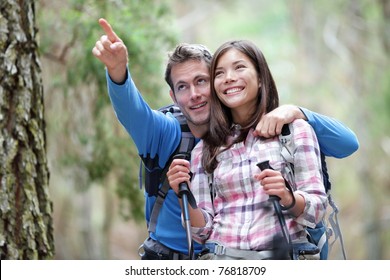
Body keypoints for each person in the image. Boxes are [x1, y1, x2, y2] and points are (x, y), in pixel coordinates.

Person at [92, 18, 359, 260]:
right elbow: (132, 112)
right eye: (182, 87)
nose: (194, 94)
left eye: (201, 81)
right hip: (178, 257)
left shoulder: (280, 129)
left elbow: (347, 143)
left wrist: (298, 112)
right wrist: (118, 72)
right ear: (173, 97)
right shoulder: (171, 134)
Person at [167, 40, 330, 260]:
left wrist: (287, 197)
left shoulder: (294, 131)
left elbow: (317, 208)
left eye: (239, 67)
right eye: (220, 73)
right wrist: (182, 194)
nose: (229, 78)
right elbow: (203, 232)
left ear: (261, 78)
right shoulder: (206, 148)